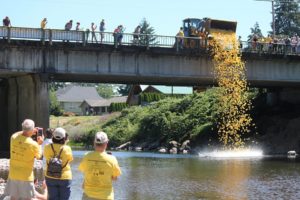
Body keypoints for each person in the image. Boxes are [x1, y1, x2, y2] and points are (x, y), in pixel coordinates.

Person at [4, 119, 44, 200]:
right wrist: (39, 144)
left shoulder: (14, 137)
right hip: (26, 176)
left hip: (13, 174)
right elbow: (39, 156)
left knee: (13, 197)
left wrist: (27, 130)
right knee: (27, 198)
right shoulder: (33, 144)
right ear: (32, 130)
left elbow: (17, 133)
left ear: (23, 128)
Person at [79, 132, 121, 200]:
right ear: (106, 143)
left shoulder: (86, 156)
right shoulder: (112, 159)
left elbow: (84, 171)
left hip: (88, 195)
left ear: (94, 143)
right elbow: (115, 178)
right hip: (106, 196)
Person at [44, 127, 73, 200]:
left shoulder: (47, 147)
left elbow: (46, 157)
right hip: (64, 177)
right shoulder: (67, 148)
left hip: (50, 176)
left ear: (53, 136)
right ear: (64, 138)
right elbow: (70, 160)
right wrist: (65, 143)